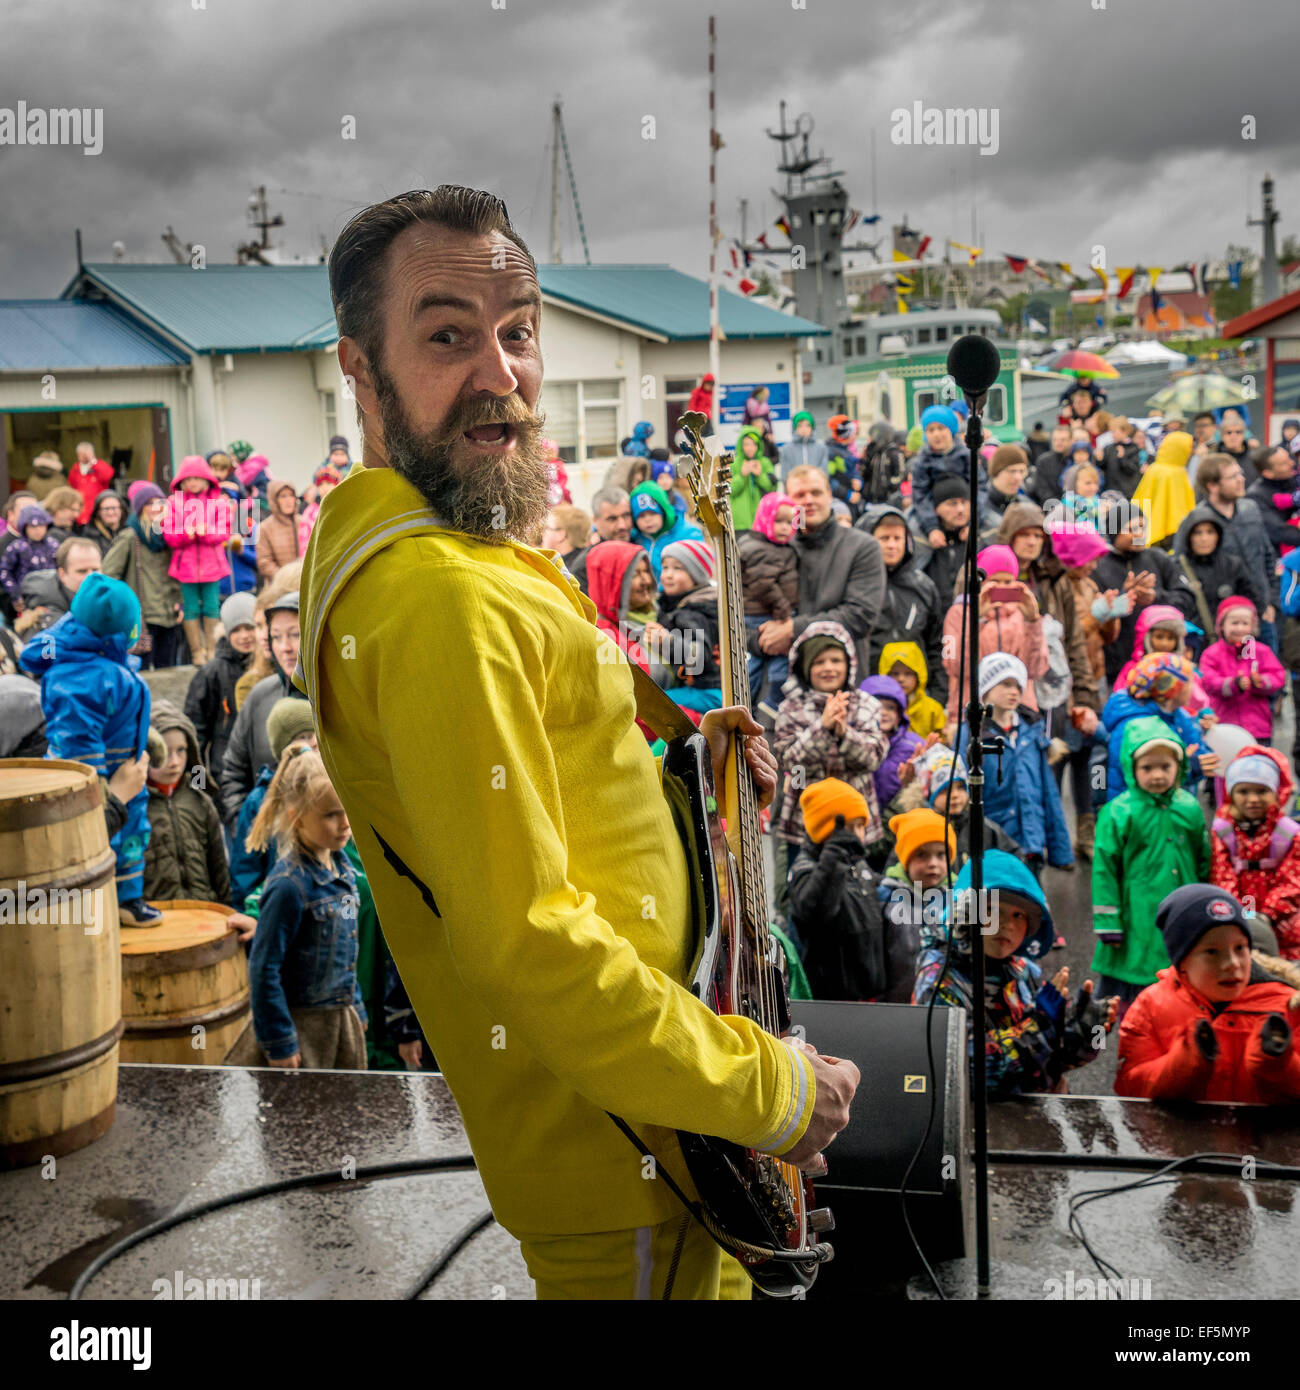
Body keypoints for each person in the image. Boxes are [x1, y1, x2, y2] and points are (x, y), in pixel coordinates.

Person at [300, 188, 856, 1299]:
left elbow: (556, 782)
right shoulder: (436, 598)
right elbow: (527, 940)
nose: (501, 374)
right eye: (448, 335)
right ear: (357, 369)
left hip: (655, 1130)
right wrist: (771, 1092)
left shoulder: (458, 550)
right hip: (636, 1156)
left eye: (517, 331)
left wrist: (686, 772)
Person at [914, 850, 1116, 1094]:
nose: (1007, 924)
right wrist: (1041, 1024)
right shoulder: (940, 981)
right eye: (992, 910)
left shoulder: (1023, 972)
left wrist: (1088, 1034)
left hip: (1032, 1116)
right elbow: (971, 1071)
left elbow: (1050, 1062)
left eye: (1018, 915)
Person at [19, 572, 157, 925]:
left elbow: (119, 716)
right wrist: (112, 793)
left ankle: (128, 899)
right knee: (104, 844)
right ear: (119, 635)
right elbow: (78, 753)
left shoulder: (97, 657)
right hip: (107, 783)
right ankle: (105, 903)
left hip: (124, 772)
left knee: (131, 839)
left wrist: (146, 739)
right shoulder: (80, 680)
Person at [227, 746, 368, 1070]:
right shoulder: (289, 887)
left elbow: (347, 949)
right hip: (301, 1028)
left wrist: (355, 1007)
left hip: (339, 1023)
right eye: (330, 814)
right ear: (297, 816)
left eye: (346, 809)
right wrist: (280, 1042)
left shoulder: (346, 874)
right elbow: (264, 968)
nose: (345, 823)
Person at [1115, 885, 1300, 1104]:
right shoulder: (1151, 1006)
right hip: (1180, 1138)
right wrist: (1187, 1060)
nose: (1232, 964)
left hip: (1261, 1138)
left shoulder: (1288, 1007)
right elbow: (1131, 1089)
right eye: (1212, 952)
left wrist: (1278, 1063)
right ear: (1182, 960)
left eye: (1240, 948)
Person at [1092, 717, 1210, 1013]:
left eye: (1165, 767)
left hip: (1183, 915)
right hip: (1136, 918)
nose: (1157, 775)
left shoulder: (1189, 807)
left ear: (1179, 768)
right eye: (1147, 767)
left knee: (1184, 989)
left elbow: (1204, 858)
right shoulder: (1118, 812)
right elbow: (1105, 869)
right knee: (1133, 994)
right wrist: (1108, 920)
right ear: (1132, 769)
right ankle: (1136, 1045)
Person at [773, 620, 889, 909]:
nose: (829, 668)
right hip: (805, 823)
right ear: (804, 667)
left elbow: (873, 757)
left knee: (856, 898)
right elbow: (790, 759)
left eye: (836, 660)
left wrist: (843, 733)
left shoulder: (866, 705)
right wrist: (823, 728)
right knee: (808, 900)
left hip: (856, 824)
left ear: (848, 663)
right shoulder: (791, 708)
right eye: (820, 661)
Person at [764, 465, 885, 682]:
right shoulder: (774, 550)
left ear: (829, 495)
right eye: (799, 495)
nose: (808, 500)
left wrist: (793, 629)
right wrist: (762, 639)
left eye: (816, 492)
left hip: (843, 682)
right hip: (785, 684)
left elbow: (860, 616)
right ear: (788, 502)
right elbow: (752, 615)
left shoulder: (862, 547)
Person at [957, 654, 1073, 877]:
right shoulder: (970, 735)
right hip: (992, 845)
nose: (1014, 692)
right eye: (1006, 684)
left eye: (1018, 687)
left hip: (1031, 846)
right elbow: (962, 791)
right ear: (986, 689)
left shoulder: (1032, 733)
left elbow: (1049, 794)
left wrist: (1060, 851)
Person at [787, 779, 887, 1001]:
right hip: (831, 996)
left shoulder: (858, 864)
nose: (856, 835)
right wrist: (831, 860)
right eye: (848, 827)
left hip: (868, 990)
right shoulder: (805, 868)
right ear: (825, 831)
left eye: (860, 826)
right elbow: (814, 912)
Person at [220, 590, 305, 825]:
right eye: (276, 637)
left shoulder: (339, 697)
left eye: (295, 635)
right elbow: (232, 770)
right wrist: (245, 828)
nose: (285, 647)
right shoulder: (259, 694)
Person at [1091, 501, 1198, 688]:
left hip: (1163, 661)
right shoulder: (1098, 566)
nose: (1139, 535)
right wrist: (1126, 598)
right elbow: (1093, 614)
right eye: (1131, 529)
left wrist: (1154, 598)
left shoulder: (1159, 558)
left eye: (1142, 527)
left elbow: (1187, 599)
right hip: (1116, 665)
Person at [1176, 454, 1279, 645]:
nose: (1242, 479)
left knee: (1261, 671)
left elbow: (1268, 555)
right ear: (1212, 485)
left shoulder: (1251, 508)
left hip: (1261, 614)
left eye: (1240, 474)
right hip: (1221, 624)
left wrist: (1271, 601)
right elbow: (1181, 567)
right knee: (1230, 673)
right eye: (1233, 477)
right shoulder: (1197, 521)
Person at [228, 696, 318, 913]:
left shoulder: (334, 790)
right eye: (303, 737)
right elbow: (245, 871)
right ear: (285, 748)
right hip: (279, 910)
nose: (313, 742)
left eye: (316, 734)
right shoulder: (260, 801)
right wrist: (251, 917)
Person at [1211, 747, 1300, 960]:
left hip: (1284, 922)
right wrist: (1245, 916)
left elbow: (1291, 880)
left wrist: (1268, 915)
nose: (1252, 799)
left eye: (1261, 791)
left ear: (1277, 792)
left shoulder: (1287, 833)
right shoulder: (1225, 831)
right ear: (1231, 794)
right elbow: (1223, 876)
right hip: (1240, 915)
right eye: (1243, 792)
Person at [141, 699, 231, 906]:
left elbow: (219, 869)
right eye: (163, 752)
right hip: (156, 922)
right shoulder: (133, 808)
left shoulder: (201, 803)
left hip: (204, 914)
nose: (173, 762)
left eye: (181, 750)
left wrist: (228, 911)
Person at [859, 504, 946, 706]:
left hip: (916, 698)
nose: (892, 545)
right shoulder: (856, 585)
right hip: (867, 695)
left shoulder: (923, 586)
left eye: (897, 538)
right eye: (884, 538)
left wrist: (938, 697)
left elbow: (936, 644)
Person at [1101, 653, 1214, 802]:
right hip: (1137, 809)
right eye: (1189, 683)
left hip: (1170, 803)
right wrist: (1188, 767)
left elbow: (1195, 745)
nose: (1194, 689)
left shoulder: (1177, 714)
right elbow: (1146, 773)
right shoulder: (1136, 725)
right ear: (1172, 689)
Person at [101, 483, 184, 670]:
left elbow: (176, 574)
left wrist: (180, 602)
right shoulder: (130, 536)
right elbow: (108, 575)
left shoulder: (172, 536)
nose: (156, 508)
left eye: (160, 503)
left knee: (168, 672)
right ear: (139, 509)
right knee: (140, 671)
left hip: (169, 615)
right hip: (141, 617)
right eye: (149, 504)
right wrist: (124, 605)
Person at [878, 808, 957, 1002]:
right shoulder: (886, 897)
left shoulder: (957, 899)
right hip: (896, 1002)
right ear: (905, 860)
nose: (933, 863)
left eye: (941, 855)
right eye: (922, 855)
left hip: (942, 1001)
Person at [185, 591, 256, 803]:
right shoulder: (211, 673)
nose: (244, 636)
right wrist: (199, 786)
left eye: (249, 627)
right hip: (225, 776)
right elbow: (194, 736)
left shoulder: (272, 667)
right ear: (225, 633)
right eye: (237, 630)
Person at [162, 456, 232, 666]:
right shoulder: (174, 503)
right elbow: (169, 534)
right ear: (181, 481)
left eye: (196, 478)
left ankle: (212, 650)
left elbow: (225, 531)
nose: (192, 482)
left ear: (206, 480)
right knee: (190, 608)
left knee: (212, 606)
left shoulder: (219, 502)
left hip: (212, 565)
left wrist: (205, 532)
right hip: (187, 566)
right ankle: (196, 652)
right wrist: (187, 534)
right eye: (188, 478)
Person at [739, 491, 798, 712]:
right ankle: (762, 699)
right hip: (763, 613)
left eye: (789, 523)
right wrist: (783, 608)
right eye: (778, 521)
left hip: (766, 612)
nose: (784, 528)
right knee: (770, 656)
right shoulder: (763, 549)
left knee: (767, 658)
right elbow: (763, 583)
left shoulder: (774, 547)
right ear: (765, 519)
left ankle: (758, 700)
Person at [1173, 504, 1269, 642]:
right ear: (1188, 537)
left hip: (1228, 645)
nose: (1204, 538)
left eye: (1210, 532)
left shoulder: (1233, 565)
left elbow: (1252, 602)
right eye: (1198, 533)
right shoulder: (1177, 567)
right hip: (1190, 643)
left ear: (1218, 535)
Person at [1199, 596, 1286, 741]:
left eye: (1245, 623)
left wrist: (1261, 682)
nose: (1239, 628)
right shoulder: (1211, 654)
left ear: (1252, 627)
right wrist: (1233, 684)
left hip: (1258, 728)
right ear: (1221, 625)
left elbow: (1278, 676)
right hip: (1223, 726)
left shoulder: (1262, 651)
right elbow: (1208, 681)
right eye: (1234, 623)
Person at [657, 539, 723, 714]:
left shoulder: (693, 611)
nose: (668, 574)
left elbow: (699, 655)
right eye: (665, 568)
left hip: (709, 691)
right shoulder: (677, 604)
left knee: (653, 703)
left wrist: (666, 641)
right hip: (701, 689)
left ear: (696, 575)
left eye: (677, 568)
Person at [910, 405, 987, 548]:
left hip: (965, 509)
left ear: (951, 430)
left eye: (941, 428)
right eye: (931, 430)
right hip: (933, 512)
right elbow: (920, 495)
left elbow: (979, 488)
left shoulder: (967, 456)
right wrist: (932, 527)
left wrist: (973, 522)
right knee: (913, 534)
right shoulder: (922, 461)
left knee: (992, 527)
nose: (936, 434)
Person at [858, 675, 922, 817]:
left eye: (890, 708)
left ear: (899, 716)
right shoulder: (854, 744)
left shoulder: (912, 745)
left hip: (899, 816)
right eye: (876, 706)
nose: (884, 712)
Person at [15, 535, 102, 635]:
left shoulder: (104, 596)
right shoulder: (46, 612)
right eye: (82, 571)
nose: (91, 577)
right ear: (62, 574)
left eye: (95, 570)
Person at [1132, 430, 1197, 548]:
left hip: (1158, 531)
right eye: (1189, 448)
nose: (1191, 452)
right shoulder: (1169, 472)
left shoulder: (1167, 470)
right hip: (1164, 536)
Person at [629, 479, 704, 580]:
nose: (648, 519)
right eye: (641, 516)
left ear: (664, 512)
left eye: (653, 513)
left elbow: (701, 565)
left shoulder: (688, 534)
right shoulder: (635, 537)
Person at [913, 476, 970, 604]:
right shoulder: (922, 540)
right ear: (936, 508)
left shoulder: (977, 538)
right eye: (952, 503)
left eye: (964, 502)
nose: (961, 509)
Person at [878, 639, 946, 738]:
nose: (901, 679)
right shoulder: (877, 708)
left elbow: (942, 742)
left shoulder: (933, 709)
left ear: (918, 675)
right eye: (895, 673)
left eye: (908, 673)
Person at [1246, 444, 1299, 558]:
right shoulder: (1256, 496)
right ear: (1268, 473)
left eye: (1289, 457)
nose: (1292, 463)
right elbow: (1281, 532)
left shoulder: (1294, 481)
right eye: (1284, 463)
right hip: (1280, 561)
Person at [0, 505, 57, 604]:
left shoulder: (54, 545)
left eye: (42, 525)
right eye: (33, 526)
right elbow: (5, 571)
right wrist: (15, 594)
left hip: (51, 596)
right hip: (25, 598)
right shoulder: (17, 546)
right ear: (24, 526)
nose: (38, 530)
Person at [728, 426, 778, 532]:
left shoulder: (765, 463)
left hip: (762, 519)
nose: (750, 448)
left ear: (758, 446)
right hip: (740, 522)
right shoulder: (734, 464)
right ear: (741, 445)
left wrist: (759, 476)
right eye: (746, 444)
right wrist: (742, 476)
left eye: (753, 444)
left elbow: (772, 489)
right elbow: (729, 490)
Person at [979, 444, 1031, 543]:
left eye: (1021, 471)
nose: (1018, 477)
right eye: (1012, 471)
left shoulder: (1026, 505)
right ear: (996, 472)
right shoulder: (979, 506)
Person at [256, 478, 302, 581]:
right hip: (278, 587)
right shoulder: (264, 528)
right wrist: (287, 579)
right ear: (274, 500)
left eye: (291, 495)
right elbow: (264, 563)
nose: (288, 500)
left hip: (305, 585)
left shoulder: (304, 522)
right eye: (283, 496)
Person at [1026, 424, 1075, 507]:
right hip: (1052, 509)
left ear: (1072, 441)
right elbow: (1042, 490)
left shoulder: (1077, 459)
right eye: (1055, 440)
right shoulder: (1043, 461)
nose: (1058, 443)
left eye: (1063, 440)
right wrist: (1060, 506)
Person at [1099, 416, 1146, 500]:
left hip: (1127, 493)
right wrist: (1099, 459)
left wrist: (1122, 458)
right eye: (1111, 432)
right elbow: (1103, 467)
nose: (1112, 435)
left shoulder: (1133, 448)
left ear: (1125, 431)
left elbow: (1132, 469)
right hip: (1111, 491)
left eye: (1115, 431)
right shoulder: (1109, 448)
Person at [823, 416, 863, 513]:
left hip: (850, 499)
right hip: (838, 501)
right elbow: (829, 479)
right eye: (853, 433)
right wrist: (847, 494)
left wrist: (858, 480)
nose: (855, 436)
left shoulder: (846, 451)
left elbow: (853, 472)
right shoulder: (830, 452)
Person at [68, 442, 114, 525]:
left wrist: (93, 461)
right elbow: (72, 485)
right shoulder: (75, 468)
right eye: (81, 455)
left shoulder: (99, 465)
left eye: (86, 454)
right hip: (81, 509)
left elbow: (108, 475)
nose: (84, 457)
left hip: (97, 508)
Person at [777, 410, 829, 484]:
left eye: (807, 425)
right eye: (800, 425)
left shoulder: (821, 448)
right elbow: (785, 475)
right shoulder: (786, 449)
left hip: (815, 487)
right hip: (795, 489)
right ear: (795, 428)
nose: (804, 429)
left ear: (812, 427)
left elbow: (824, 472)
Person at [80, 489, 125, 557]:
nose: (111, 512)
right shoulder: (88, 535)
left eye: (114, 508)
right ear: (98, 511)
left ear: (121, 509)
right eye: (106, 509)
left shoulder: (129, 532)